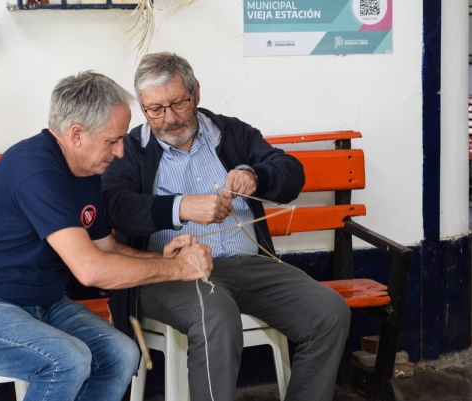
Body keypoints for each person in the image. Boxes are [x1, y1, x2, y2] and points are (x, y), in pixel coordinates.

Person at [0, 71, 212, 401]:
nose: (120, 151)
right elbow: (91, 270)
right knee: (67, 361)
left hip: (38, 303)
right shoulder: (35, 169)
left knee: (122, 354)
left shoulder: (86, 169)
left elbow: (107, 249)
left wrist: (166, 259)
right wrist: (178, 270)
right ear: (76, 134)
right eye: (112, 140)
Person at [102, 53, 351, 401]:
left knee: (329, 311)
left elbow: (290, 172)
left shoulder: (232, 133)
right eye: (155, 109)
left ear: (196, 93)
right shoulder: (130, 149)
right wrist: (181, 206)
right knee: (215, 315)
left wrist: (256, 175)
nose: (169, 119)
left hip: (251, 266)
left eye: (177, 103)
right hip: (171, 274)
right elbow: (114, 205)